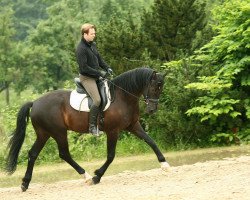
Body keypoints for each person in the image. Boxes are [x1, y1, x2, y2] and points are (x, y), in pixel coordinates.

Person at [76, 23, 113, 135]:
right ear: (84, 34)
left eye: (94, 33)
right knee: (97, 100)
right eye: (92, 34)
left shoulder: (93, 45)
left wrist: (107, 68)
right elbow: (84, 68)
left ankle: (103, 121)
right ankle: (92, 127)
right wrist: (100, 73)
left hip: (96, 77)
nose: (94, 36)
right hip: (87, 78)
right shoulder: (80, 49)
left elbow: (99, 59)